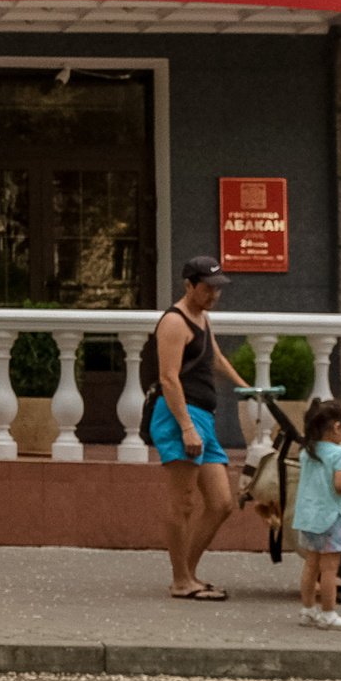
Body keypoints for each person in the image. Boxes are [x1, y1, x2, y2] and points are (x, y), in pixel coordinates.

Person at [139, 255, 250, 600]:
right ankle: (181, 581)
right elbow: (169, 379)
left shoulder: (203, 317)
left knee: (221, 504)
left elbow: (214, 358)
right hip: (178, 416)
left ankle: (187, 572)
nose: (214, 295)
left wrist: (248, 388)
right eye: (207, 288)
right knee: (183, 503)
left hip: (203, 415)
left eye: (218, 288)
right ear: (189, 285)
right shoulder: (173, 323)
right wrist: (187, 428)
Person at [294, 398, 341, 629]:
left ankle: (307, 610)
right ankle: (328, 613)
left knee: (310, 567)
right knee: (329, 571)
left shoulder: (308, 451)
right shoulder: (339, 454)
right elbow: (340, 486)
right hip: (331, 517)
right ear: (337, 427)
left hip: (308, 516)